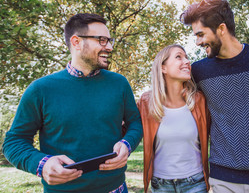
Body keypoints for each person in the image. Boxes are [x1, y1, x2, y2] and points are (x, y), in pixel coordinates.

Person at [2, 13, 143, 193]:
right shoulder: (40, 89)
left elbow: (135, 123)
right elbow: (14, 142)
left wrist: (127, 143)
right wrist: (42, 164)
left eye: (109, 40)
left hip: (115, 189)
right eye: (101, 40)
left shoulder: (119, 83)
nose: (109, 47)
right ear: (76, 42)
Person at [180, 0, 249, 192]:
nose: (197, 42)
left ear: (221, 29)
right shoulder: (199, 71)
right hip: (223, 178)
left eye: (200, 34)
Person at [137, 44, 210, 193]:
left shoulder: (199, 101)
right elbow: (127, 130)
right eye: (178, 57)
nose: (187, 61)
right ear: (163, 68)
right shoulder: (146, 102)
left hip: (195, 183)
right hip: (161, 185)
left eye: (187, 57)